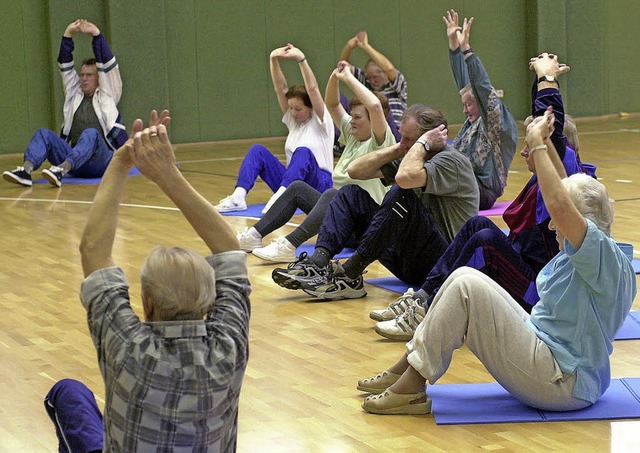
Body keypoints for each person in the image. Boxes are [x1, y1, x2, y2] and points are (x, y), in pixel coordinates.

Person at [357, 105, 636, 416]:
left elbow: (559, 201)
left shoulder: (602, 258)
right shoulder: (599, 258)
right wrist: (541, 131)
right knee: (465, 278)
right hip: (552, 360)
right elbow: (561, 182)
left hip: (562, 380)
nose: (553, 224)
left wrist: (540, 140)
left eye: (561, 220)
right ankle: (409, 368)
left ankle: (411, 383)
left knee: (467, 284)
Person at [44, 112, 251, 451]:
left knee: (67, 392)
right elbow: (228, 248)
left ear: (148, 303)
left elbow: (92, 248)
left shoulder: (128, 346)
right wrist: (168, 174)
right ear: (211, 301)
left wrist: (121, 161)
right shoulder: (228, 348)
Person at [371, 52, 586, 341]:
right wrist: (539, 80)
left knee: (486, 242)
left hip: (538, 294)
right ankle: (422, 299)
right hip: (527, 272)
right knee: (477, 226)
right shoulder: (548, 179)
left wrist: (548, 81)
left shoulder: (569, 178)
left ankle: (428, 310)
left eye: (533, 142)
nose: (524, 151)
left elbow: (552, 130)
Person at [272, 107, 479, 300]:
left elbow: (404, 179)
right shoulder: (412, 155)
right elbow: (355, 171)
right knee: (348, 193)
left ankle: (350, 273)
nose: (405, 144)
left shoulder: (452, 161)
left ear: (431, 139)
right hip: (408, 260)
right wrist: (398, 149)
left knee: (402, 194)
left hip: (441, 263)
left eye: (410, 139)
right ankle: (318, 261)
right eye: (402, 137)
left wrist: (421, 144)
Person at [238, 61, 397, 262]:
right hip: (341, 219)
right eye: (352, 116)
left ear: (374, 120)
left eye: (357, 117)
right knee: (297, 188)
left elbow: (374, 106)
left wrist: (349, 78)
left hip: (362, 228)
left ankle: (288, 245)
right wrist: (335, 77)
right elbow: (332, 104)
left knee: (333, 194)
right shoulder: (352, 134)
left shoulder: (381, 141)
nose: (351, 120)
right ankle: (253, 236)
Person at [3, 19, 127, 188]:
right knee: (43, 134)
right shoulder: (74, 95)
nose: (84, 79)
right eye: (82, 75)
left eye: (89, 75)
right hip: (76, 161)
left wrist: (96, 34)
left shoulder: (107, 94)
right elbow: (65, 64)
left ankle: (61, 170)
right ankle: (26, 171)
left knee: (90, 133)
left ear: (99, 78)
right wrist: (68, 34)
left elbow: (108, 65)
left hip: (101, 161)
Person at [215, 43, 334, 214]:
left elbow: (313, 89)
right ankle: (238, 197)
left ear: (311, 108)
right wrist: (273, 59)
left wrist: (301, 60)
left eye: (298, 109)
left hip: (320, 185)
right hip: (293, 184)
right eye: (291, 108)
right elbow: (281, 88)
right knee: (258, 151)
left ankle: (282, 198)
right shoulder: (294, 122)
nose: (292, 113)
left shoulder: (321, 121)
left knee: (303, 152)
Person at [444, 10, 518, 209]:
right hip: (466, 183)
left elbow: (482, 87)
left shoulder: (494, 122)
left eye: (469, 104)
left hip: (482, 191)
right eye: (464, 105)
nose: (465, 110)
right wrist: (454, 44)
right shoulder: (472, 122)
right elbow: (463, 81)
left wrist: (467, 50)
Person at [340, 31, 407, 130]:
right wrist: (349, 46)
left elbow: (389, 69)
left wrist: (366, 46)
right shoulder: (367, 82)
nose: (372, 81)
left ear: (384, 73)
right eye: (369, 77)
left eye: (375, 77)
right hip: (373, 129)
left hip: (395, 130)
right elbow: (342, 67)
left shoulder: (396, 84)